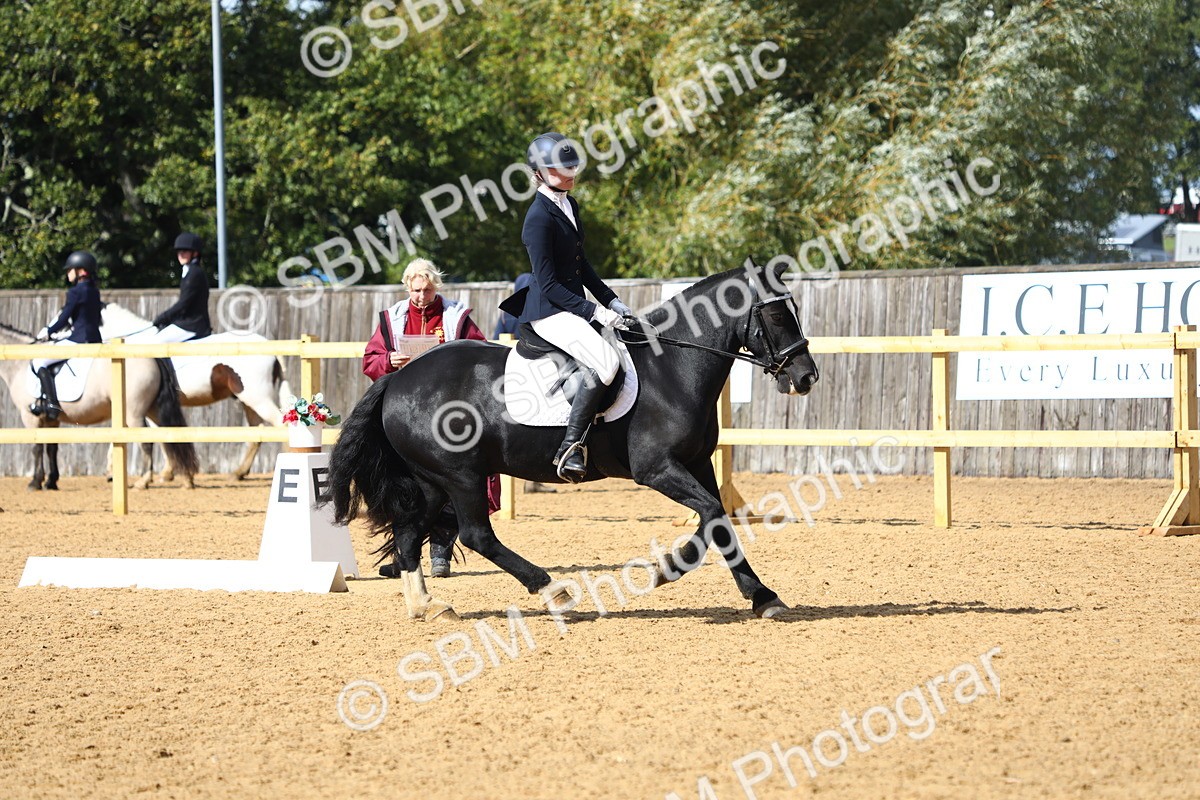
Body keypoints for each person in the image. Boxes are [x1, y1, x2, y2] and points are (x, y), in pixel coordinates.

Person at [362, 258, 500, 578]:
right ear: (407, 287)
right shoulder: (392, 319)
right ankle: (405, 556)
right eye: (415, 291)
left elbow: (480, 352)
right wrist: (387, 359)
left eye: (426, 290)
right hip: (406, 415)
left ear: (435, 286)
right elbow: (370, 360)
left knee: (453, 480)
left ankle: (441, 551)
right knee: (404, 485)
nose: (420, 297)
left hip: (447, 412)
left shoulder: (455, 317)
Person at [515, 131, 633, 482]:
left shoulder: (569, 204)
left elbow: (582, 267)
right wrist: (595, 312)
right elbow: (549, 285)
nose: (569, 173)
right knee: (607, 361)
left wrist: (612, 300)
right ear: (538, 172)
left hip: (571, 306)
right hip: (548, 312)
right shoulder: (537, 218)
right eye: (559, 168)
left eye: (571, 166)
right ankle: (571, 447)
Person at [495, 271, 557, 494]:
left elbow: (497, 343)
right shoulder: (541, 309)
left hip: (510, 372)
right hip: (538, 369)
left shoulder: (505, 316)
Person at [30, 250, 104, 420]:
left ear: (81, 271)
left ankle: (52, 405)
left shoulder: (75, 292)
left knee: (40, 361)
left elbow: (64, 317)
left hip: (78, 341)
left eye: (70, 269)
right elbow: (94, 318)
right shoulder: (95, 291)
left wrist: (48, 332)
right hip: (95, 340)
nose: (68, 273)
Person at [147, 232, 212, 342]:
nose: (180, 254)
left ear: (195, 253)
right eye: (179, 251)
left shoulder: (194, 273)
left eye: (185, 251)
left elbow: (183, 304)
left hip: (192, 325)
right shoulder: (188, 271)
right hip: (186, 323)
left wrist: (162, 317)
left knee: (156, 342)